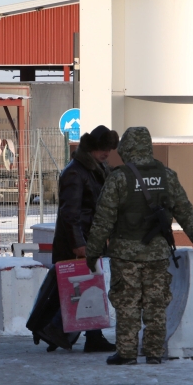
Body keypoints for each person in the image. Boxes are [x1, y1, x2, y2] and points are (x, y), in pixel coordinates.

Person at [84, 127, 193, 365]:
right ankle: (153, 352)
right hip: (158, 254)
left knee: (127, 303)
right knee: (156, 303)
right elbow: (185, 211)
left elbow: (103, 220)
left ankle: (127, 353)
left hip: (125, 254)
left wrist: (93, 252)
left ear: (128, 148)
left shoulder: (119, 178)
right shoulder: (166, 175)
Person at [38, 125, 119, 352]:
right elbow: (70, 213)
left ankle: (87, 336)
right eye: (103, 148)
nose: (107, 153)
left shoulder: (95, 169)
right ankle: (54, 329)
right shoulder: (76, 172)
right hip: (76, 244)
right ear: (92, 148)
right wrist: (78, 244)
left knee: (86, 288)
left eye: (109, 149)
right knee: (80, 290)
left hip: (88, 240)